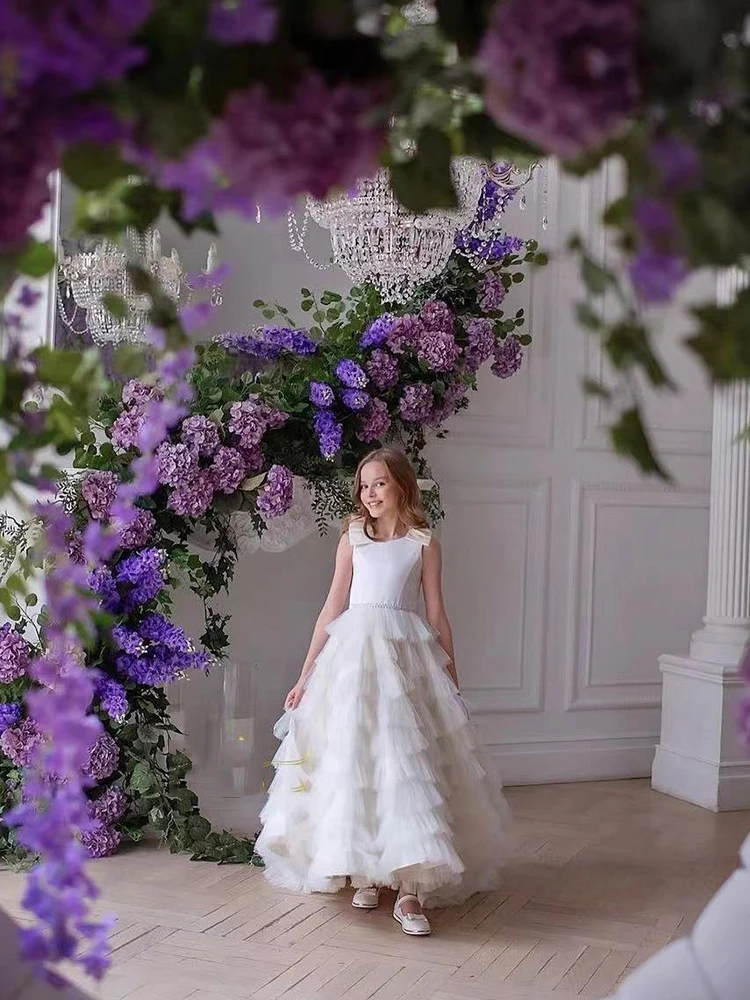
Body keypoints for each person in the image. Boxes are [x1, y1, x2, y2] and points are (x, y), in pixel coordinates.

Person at [255, 447, 512, 936]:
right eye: (364, 485)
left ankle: (412, 889)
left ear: (401, 487)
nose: (369, 494)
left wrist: (452, 678)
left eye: (379, 484)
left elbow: (436, 614)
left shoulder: (423, 543)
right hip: (350, 663)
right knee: (355, 759)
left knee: (404, 765)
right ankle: (365, 869)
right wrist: (305, 675)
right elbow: (331, 608)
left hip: (405, 662)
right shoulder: (352, 539)